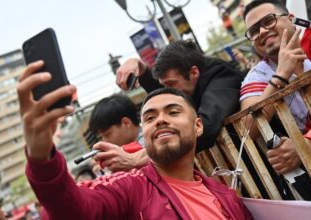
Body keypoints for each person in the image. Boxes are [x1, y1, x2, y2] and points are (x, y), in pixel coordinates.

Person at [17, 62, 253, 219]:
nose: (160, 120)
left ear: (198, 126)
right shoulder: (130, 189)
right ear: (144, 132)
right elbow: (71, 209)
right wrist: (41, 155)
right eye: (150, 117)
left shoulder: (228, 198)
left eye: (173, 112)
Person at [240, 0, 311, 180]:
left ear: (290, 18)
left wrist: (304, 145)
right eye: (254, 31)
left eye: (268, 21)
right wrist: (281, 75)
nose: (262, 31)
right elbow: (247, 130)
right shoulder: (258, 76)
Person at [116, 40, 244, 152]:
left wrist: (154, 152)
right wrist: (139, 65)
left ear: (194, 73)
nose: (169, 93)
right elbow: (159, 87)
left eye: (171, 84)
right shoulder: (183, 84)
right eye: (165, 86)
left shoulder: (222, 76)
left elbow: (207, 126)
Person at [88, 94, 148, 172]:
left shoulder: (152, 139)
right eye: (101, 137)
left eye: (107, 134)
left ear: (126, 123)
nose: (105, 141)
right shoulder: (121, 153)